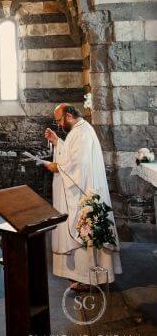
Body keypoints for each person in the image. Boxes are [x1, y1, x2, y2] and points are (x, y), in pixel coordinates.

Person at [44, 104, 122, 291]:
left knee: (85, 232)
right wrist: (57, 142)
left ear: (69, 116)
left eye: (59, 120)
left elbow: (80, 164)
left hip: (83, 192)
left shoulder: (83, 132)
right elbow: (72, 155)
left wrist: (57, 167)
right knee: (84, 233)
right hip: (82, 189)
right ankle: (86, 278)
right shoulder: (79, 131)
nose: (59, 124)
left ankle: (91, 279)